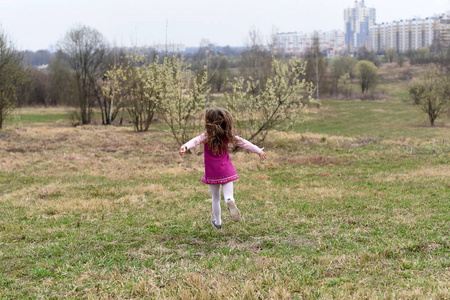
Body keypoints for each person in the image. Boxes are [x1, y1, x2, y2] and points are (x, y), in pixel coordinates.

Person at [179, 107, 267, 230]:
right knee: (228, 195)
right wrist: (258, 151)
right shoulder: (228, 136)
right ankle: (230, 200)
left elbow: (195, 141)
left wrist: (185, 146)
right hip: (226, 170)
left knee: (215, 198)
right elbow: (244, 143)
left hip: (212, 172)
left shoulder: (206, 136)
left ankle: (218, 222)